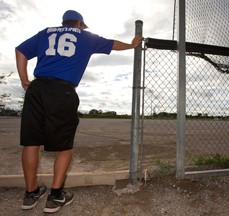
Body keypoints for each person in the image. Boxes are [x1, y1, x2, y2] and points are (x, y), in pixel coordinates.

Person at [15, 10, 143, 213]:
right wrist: (132, 44)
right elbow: (113, 44)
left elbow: (20, 50)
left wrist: (24, 80)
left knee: (31, 142)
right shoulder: (85, 37)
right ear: (80, 24)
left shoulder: (45, 32)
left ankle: (30, 194)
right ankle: (55, 196)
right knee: (64, 146)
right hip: (62, 91)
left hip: (37, 89)